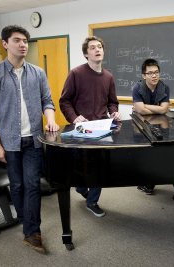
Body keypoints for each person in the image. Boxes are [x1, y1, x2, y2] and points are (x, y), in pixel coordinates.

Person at [0, 25, 60, 254]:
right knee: (17, 185)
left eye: (25, 40)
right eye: (17, 40)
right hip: (9, 142)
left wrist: (50, 119)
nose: (23, 44)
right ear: (5, 44)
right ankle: (27, 220)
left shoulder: (38, 73)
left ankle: (32, 232)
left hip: (34, 140)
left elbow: (47, 101)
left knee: (33, 184)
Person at [59, 36, 121, 217]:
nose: (97, 49)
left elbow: (112, 102)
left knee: (99, 167)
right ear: (86, 53)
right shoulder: (76, 74)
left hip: (102, 128)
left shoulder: (108, 76)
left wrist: (114, 111)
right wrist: (74, 117)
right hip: (81, 129)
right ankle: (81, 187)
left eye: (99, 47)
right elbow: (65, 101)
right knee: (79, 167)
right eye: (92, 47)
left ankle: (92, 201)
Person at [132, 58, 170, 195]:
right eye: (150, 73)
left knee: (157, 153)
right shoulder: (137, 87)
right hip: (140, 123)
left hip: (158, 122)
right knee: (143, 153)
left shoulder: (164, 87)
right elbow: (140, 111)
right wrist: (156, 108)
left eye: (156, 72)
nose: (154, 75)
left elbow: (164, 110)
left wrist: (143, 106)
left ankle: (150, 183)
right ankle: (144, 181)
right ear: (144, 75)